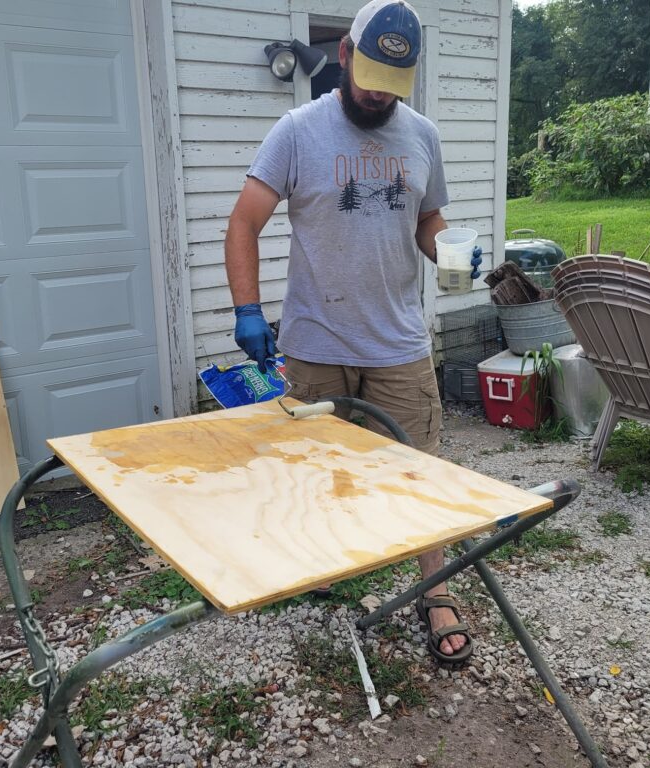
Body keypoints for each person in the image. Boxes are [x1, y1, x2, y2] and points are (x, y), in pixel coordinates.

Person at [224, 0, 481, 668]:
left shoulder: (422, 135)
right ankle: (328, 564)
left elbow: (429, 222)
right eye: (367, 75)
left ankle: (436, 593)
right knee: (316, 472)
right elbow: (244, 222)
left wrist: (451, 254)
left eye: (392, 83)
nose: (376, 94)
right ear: (343, 55)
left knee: (418, 473)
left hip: (397, 341)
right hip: (315, 341)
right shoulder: (296, 131)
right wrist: (247, 309)